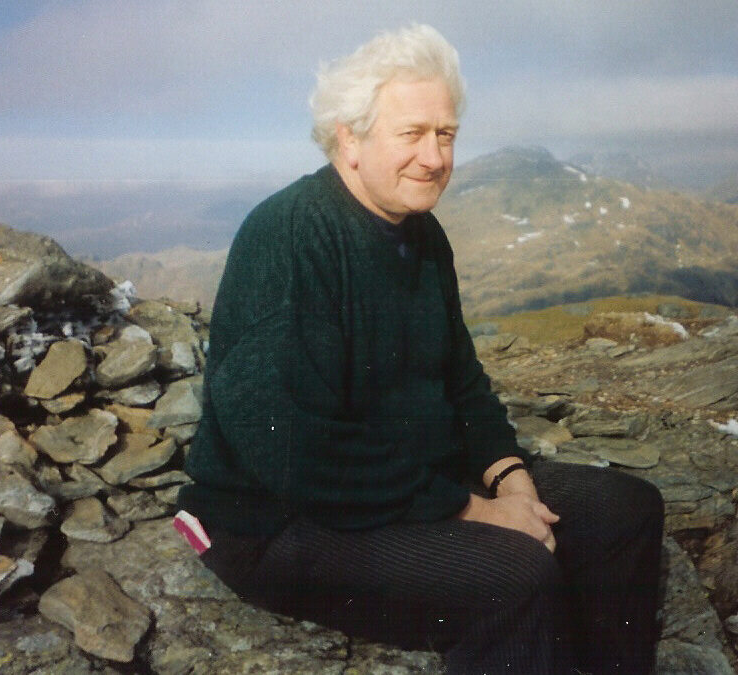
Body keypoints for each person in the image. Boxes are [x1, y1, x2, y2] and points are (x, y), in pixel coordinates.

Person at [177, 23, 664, 675]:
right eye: (412, 133)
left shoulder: (423, 235)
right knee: (512, 574)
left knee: (626, 509)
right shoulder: (290, 237)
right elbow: (292, 450)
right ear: (349, 138)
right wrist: (478, 512)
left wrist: (510, 478)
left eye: (447, 134)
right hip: (278, 523)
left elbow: (462, 381)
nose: (434, 157)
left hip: (398, 483)